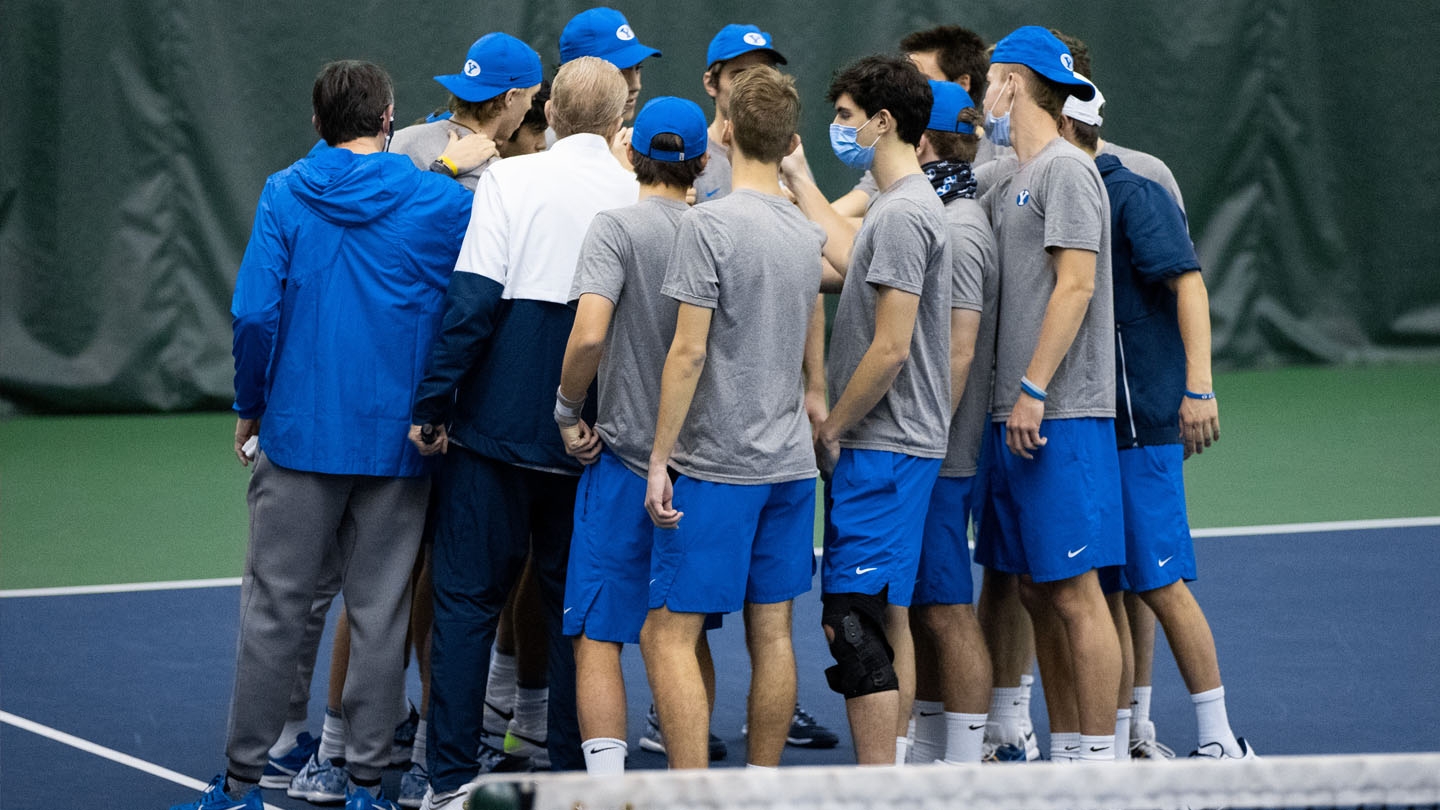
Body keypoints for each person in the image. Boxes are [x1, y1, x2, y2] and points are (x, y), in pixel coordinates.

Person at [168, 59, 474, 810]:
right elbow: (466, 309)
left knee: (272, 610)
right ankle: (367, 782)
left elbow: (254, 316)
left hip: (300, 434)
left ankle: (240, 786)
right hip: (397, 443)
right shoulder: (440, 199)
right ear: (387, 120)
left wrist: (251, 403)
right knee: (382, 613)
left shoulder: (284, 193)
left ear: (316, 123)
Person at [409, 56, 637, 810]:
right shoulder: (636, 190)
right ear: (615, 120)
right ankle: (577, 785)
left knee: (468, 604)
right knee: (578, 614)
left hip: (497, 431)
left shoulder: (511, 178)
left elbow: (472, 303)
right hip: (597, 438)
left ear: (553, 112)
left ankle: (448, 783)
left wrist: (433, 406)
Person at [1057, 77, 1251, 762]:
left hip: (1142, 423)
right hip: (1090, 426)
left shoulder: (1134, 193)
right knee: (1107, 584)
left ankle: (1220, 741)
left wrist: (1198, 390)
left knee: (1161, 583)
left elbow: (1188, 284)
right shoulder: (1056, 191)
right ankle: (1115, 742)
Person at [640, 64, 827, 770]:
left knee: (668, 635)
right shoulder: (806, 232)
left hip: (718, 468)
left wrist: (660, 459)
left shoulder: (707, 225)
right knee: (773, 632)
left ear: (725, 132)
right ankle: (759, 787)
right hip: (788, 467)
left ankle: (696, 794)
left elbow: (687, 354)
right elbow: (810, 323)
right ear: (789, 140)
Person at [783, 55, 951, 766]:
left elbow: (889, 349)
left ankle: (879, 786)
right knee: (882, 613)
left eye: (847, 117)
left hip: (884, 447)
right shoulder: (892, 207)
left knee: (851, 623)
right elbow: (841, 264)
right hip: (886, 447)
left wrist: (833, 425)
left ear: (885, 123)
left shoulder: (907, 213)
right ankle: (896, 776)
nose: (837, 128)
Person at [971, 26, 1124, 763]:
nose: (983, 90)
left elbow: (1078, 283)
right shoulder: (1005, 175)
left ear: (1015, 82)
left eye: (991, 77)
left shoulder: (1067, 170)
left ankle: (1100, 762)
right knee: (1034, 590)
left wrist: (1033, 389)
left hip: (1059, 413)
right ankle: (1068, 751)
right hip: (1011, 414)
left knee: (1073, 593)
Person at [551, 95, 711, 775]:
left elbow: (588, 333)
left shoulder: (615, 227)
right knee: (679, 639)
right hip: (707, 472)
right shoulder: (720, 230)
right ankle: (694, 790)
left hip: (622, 466)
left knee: (598, 638)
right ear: (701, 162)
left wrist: (565, 411)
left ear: (630, 154)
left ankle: (609, 792)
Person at [904, 80, 997, 765]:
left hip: (941, 454)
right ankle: (937, 751)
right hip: (929, 449)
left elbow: (959, 348)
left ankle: (965, 768)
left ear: (924, 141)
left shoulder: (961, 228)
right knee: (923, 609)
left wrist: (929, 440)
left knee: (945, 609)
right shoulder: (937, 213)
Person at [832, 24, 993, 219]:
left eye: (920, 79)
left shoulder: (994, 162)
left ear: (962, 84)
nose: (908, 86)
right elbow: (841, 216)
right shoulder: (897, 155)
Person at [390, 32, 544, 190]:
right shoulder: (494, 179)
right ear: (510, 98)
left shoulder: (398, 140)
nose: (529, 106)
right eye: (531, 97)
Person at [691, 24, 786, 203]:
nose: (753, 87)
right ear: (711, 83)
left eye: (763, 75)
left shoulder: (787, 155)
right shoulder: (689, 158)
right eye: (740, 76)